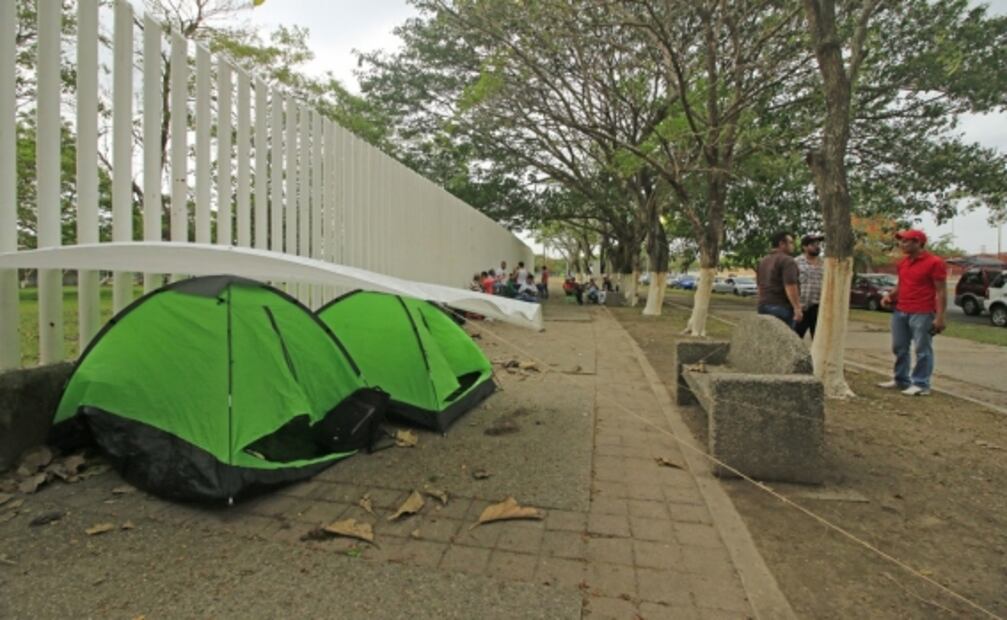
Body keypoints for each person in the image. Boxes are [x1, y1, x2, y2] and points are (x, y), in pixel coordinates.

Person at [879, 229, 947, 396]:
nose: (902, 244)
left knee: (922, 349)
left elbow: (941, 291)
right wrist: (890, 296)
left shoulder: (934, 262)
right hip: (901, 310)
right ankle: (901, 379)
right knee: (899, 347)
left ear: (918, 242)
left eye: (906, 241)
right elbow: (901, 286)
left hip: (923, 311)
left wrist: (940, 317)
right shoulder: (903, 263)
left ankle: (921, 383)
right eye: (901, 241)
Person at [755, 231, 803, 327]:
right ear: (781, 244)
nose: (793, 246)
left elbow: (759, 285)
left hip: (763, 305)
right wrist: (797, 308)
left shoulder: (763, 261)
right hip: (781, 307)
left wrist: (761, 301)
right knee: (784, 340)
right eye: (791, 243)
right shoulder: (787, 261)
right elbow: (790, 285)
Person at [795, 234, 824, 339]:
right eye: (813, 244)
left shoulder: (824, 263)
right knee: (795, 338)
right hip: (801, 307)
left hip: (818, 308)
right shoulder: (796, 262)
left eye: (818, 244)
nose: (817, 246)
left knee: (818, 339)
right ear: (804, 247)